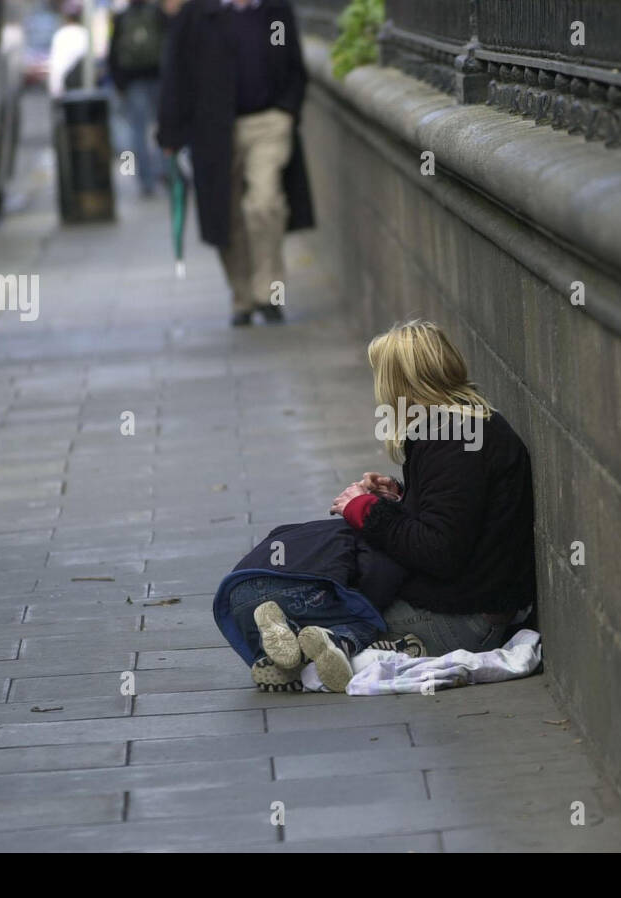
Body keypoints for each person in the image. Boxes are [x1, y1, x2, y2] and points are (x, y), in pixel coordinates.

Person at [332, 321, 538, 656]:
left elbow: (438, 551)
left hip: (464, 621)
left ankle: (348, 650)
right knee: (333, 605)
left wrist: (366, 511)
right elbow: (457, 515)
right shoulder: (460, 426)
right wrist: (399, 498)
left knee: (330, 610)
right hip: (466, 605)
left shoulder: (454, 438)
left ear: (398, 384)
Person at [157, 0, 314, 327]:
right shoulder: (197, 14)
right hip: (214, 132)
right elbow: (176, 74)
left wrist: (287, 110)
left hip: (269, 122)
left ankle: (269, 293)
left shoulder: (274, 10)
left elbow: (294, 64)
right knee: (226, 215)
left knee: (264, 203)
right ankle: (242, 297)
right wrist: (171, 132)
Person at [213, 518, 423, 693]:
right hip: (299, 587)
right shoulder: (366, 536)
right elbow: (376, 580)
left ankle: (282, 656)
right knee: (365, 623)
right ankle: (336, 640)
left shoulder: (296, 532)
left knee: (282, 639)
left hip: (239, 594)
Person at [108, 0, 168, 197]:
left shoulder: (122, 17)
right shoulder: (157, 13)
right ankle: (165, 172)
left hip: (133, 81)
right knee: (162, 128)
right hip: (157, 78)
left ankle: (145, 180)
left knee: (137, 133)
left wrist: (119, 83)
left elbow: (113, 52)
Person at [48, 0, 91, 99]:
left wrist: (55, 90)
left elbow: (56, 66)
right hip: (83, 90)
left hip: (66, 90)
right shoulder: (85, 34)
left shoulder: (60, 35)